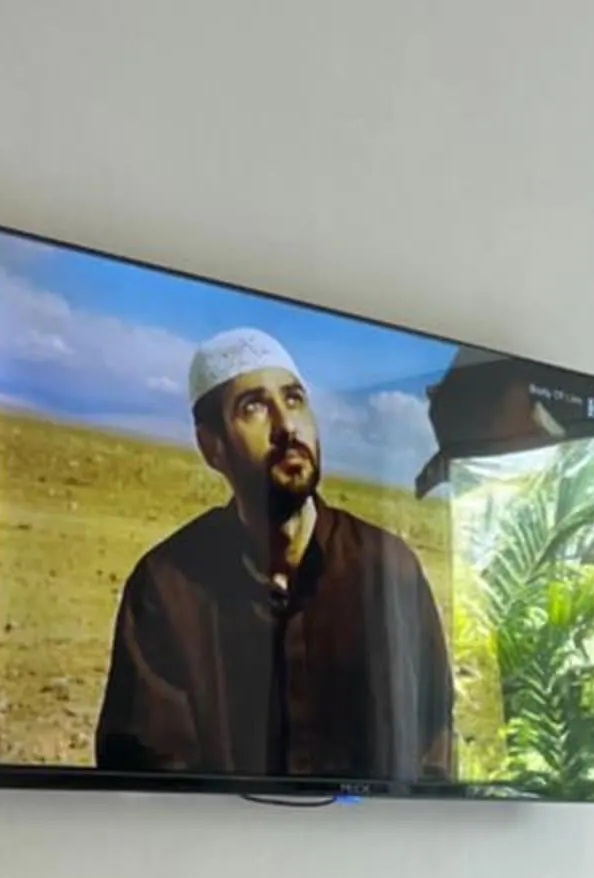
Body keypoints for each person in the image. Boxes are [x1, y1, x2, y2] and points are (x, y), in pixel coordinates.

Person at [96, 327, 454, 783]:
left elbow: (432, 748)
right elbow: (142, 775)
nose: (287, 427)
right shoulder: (166, 588)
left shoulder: (387, 570)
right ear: (212, 446)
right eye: (254, 407)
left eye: (294, 399)